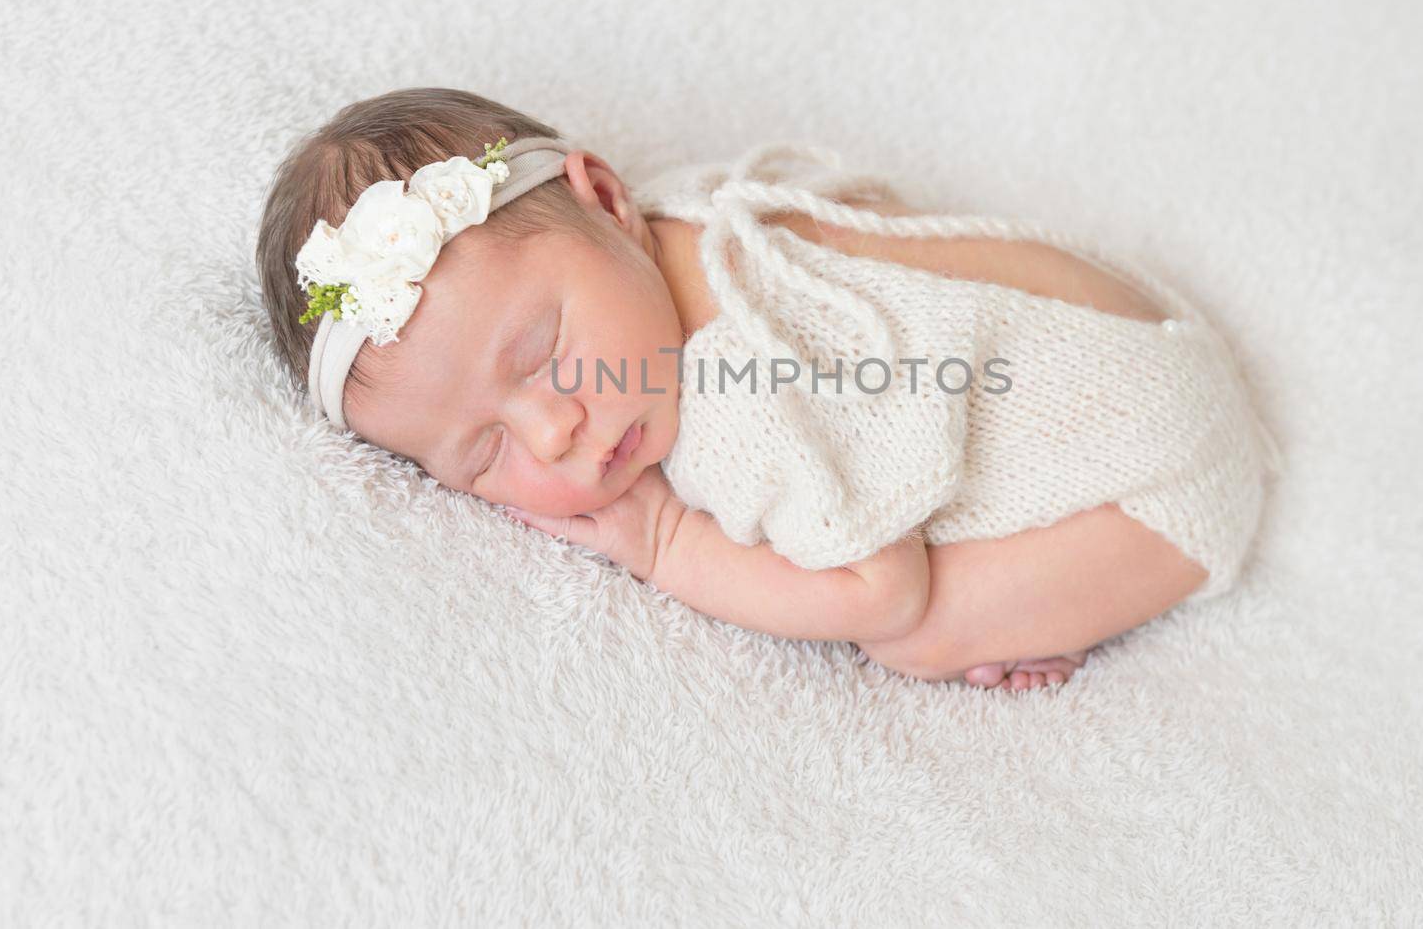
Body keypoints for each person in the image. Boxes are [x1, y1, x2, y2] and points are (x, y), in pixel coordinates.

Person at [256, 87, 1281, 691]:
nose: (555, 429)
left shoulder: (739, 404)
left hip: (1170, 483)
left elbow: (881, 587)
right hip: (1137, 326)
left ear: (605, 196)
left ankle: (1081, 599)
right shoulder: (686, 223)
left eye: (540, 355)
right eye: (484, 455)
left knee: (911, 640)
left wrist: (668, 546)